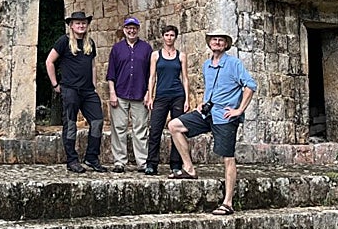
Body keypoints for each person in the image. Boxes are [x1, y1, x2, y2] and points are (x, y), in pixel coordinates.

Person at [167, 29, 256, 215]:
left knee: (227, 157)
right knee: (174, 125)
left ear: (225, 44)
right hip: (207, 113)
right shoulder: (207, 65)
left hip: (225, 116)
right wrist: (203, 103)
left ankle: (228, 202)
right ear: (209, 43)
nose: (217, 42)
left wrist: (239, 110)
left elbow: (250, 85)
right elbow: (212, 88)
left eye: (220, 40)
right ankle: (189, 169)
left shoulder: (233, 63)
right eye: (214, 39)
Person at [44, 10, 107, 173]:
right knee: (71, 124)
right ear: (71, 25)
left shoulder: (90, 43)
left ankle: (91, 157)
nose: (81, 25)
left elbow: (92, 65)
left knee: (97, 121)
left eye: (83, 23)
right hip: (70, 89)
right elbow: (49, 61)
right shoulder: (64, 41)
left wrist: (93, 85)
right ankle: (72, 160)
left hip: (88, 91)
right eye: (77, 23)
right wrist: (55, 84)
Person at [105, 16, 152, 172]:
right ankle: (120, 161)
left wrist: (148, 93)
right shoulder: (117, 49)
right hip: (120, 92)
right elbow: (111, 73)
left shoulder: (146, 48)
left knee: (140, 129)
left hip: (140, 93)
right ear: (124, 30)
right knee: (119, 128)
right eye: (128, 28)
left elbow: (151, 74)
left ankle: (142, 162)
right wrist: (112, 93)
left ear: (138, 30)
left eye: (134, 28)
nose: (131, 30)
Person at [144, 24, 189, 176]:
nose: (169, 38)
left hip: (177, 95)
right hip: (161, 96)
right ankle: (151, 163)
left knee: (176, 130)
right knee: (155, 129)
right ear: (162, 36)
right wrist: (150, 96)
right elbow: (152, 77)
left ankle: (175, 164)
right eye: (167, 35)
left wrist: (187, 99)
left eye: (172, 35)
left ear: (175, 37)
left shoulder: (181, 56)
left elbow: (185, 78)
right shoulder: (156, 55)